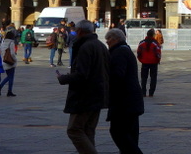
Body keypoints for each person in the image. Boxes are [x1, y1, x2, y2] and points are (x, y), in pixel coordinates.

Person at [57, 20, 110, 154]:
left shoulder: (85, 47)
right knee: (88, 130)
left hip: (85, 96)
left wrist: (64, 78)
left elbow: (82, 75)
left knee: (74, 130)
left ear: (79, 31)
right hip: (98, 94)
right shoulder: (100, 45)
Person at [105, 28, 144, 154]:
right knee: (129, 134)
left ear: (116, 39)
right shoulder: (124, 50)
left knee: (118, 132)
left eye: (109, 39)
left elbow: (117, 76)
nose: (107, 42)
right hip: (131, 99)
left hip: (124, 100)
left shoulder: (119, 52)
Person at [137, 28, 162, 97]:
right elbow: (158, 53)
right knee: (153, 78)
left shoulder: (142, 43)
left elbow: (138, 53)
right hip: (153, 63)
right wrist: (158, 60)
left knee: (144, 78)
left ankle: (143, 92)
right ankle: (151, 93)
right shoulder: (155, 43)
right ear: (153, 35)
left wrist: (141, 60)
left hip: (144, 62)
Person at [0, 29, 17, 96]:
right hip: (10, 62)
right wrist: (15, 60)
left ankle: (2, 87)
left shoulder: (3, 43)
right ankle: (7, 90)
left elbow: (1, 52)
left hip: (4, 61)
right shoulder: (11, 43)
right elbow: (12, 53)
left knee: (9, 76)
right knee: (10, 77)